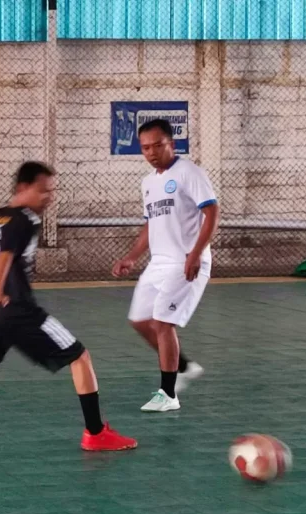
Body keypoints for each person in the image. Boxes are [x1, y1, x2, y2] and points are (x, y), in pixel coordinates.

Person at [0, 162, 137, 451]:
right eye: (43, 191)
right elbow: (4, 256)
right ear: (22, 188)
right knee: (79, 356)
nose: (49, 197)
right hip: (15, 309)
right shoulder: (25, 220)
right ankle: (95, 433)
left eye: (51, 191)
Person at [112, 119, 218, 412]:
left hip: (185, 261)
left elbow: (212, 213)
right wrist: (132, 256)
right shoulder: (148, 183)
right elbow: (151, 224)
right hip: (158, 263)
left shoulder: (189, 173)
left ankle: (168, 394)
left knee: (162, 323)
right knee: (139, 320)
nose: (151, 152)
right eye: (145, 147)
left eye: (157, 145)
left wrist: (195, 254)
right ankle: (183, 366)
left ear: (172, 143)